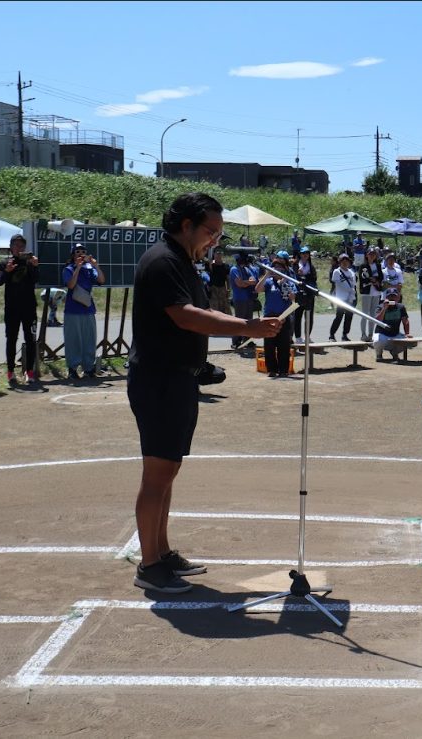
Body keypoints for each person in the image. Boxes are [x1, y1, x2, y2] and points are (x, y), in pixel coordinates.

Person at [127, 192, 281, 593]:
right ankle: (149, 565)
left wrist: (243, 329)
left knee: (168, 471)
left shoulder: (181, 261)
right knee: (157, 473)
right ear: (187, 225)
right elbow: (186, 317)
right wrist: (246, 327)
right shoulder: (163, 261)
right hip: (159, 380)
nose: (215, 239)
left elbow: (196, 314)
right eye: (211, 231)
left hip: (176, 380)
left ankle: (161, 552)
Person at [0, 228, 40, 385]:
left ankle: (29, 372)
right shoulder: (5, 263)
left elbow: (35, 280)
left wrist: (34, 266)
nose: (19, 248)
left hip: (29, 307)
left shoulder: (30, 261)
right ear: (11, 247)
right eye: (16, 245)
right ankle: (10, 372)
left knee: (30, 339)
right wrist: (7, 271)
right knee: (11, 339)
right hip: (12, 308)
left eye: (22, 245)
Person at [62, 242, 107, 379]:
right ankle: (72, 368)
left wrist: (95, 266)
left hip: (88, 310)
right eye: (77, 252)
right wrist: (77, 268)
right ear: (73, 255)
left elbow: (101, 280)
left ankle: (88, 368)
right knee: (73, 340)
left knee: (89, 340)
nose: (81, 254)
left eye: (83, 252)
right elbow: (71, 285)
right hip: (72, 310)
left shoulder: (89, 269)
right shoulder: (68, 269)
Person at [255, 251, 296, 378]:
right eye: (275, 268)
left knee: (284, 344)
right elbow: (257, 289)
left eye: (280, 268)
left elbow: (293, 297)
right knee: (269, 345)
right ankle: (272, 369)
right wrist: (267, 274)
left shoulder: (289, 282)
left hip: (283, 317)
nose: (277, 270)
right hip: (269, 317)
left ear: (284, 270)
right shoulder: (269, 282)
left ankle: (283, 370)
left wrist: (284, 284)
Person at [373, 287, 412, 361]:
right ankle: (379, 354)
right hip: (382, 334)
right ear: (386, 297)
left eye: (394, 296)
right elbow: (378, 320)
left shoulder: (401, 307)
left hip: (395, 334)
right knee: (378, 341)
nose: (392, 298)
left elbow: (405, 321)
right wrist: (384, 308)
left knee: (409, 342)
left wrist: (407, 333)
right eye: (390, 296)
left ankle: (394, 352)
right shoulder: (380, 306)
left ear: (397, 298)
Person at [229, 253, 258, 350]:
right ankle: (235, 341)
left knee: (249, 320)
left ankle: (247, 340)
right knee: (239, 320)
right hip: (239, 299)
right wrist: (247, 282)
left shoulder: (246, 269)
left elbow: (253, 281)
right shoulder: (234, 269)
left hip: (248, 298)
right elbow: (239, 284)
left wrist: (245, 282)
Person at [328, 254, 357, 342]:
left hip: (350, 298)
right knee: (339, 317)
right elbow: (337, 284)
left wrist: (352, 296)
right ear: (340, 262)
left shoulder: (351, 272)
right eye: (343, 261)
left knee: (349, 317)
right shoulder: (337, 272)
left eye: (346, 261)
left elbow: (353, 285)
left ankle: (345, 335)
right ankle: (332, 335)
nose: (345, 263)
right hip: (341, 298)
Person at [357, 248, 384, 341]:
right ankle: (363, 334)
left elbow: (381, 276)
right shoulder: (363, 266)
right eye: (370, 254)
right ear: (366, 255)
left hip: (376, 291)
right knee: (365, 314)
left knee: (373, 314)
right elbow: (362, 278)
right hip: (366, 292)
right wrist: (371, 280)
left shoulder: (378, 265)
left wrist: (376, 280)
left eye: (374, 254)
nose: (372, 256)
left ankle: (371, 334)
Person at [292, 246, 317, 340]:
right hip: (299, 293)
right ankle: (298, 337)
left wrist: (305, 276)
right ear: (300, 254)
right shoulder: (295, 265)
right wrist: (299, 275)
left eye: (307, 253)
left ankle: (307, 336)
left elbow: (314, 279)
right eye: (303, 253)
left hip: (309, 294)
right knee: (298, 316)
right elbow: (293, 277)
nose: (305, 255)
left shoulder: (311, 266)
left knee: (309, 316)